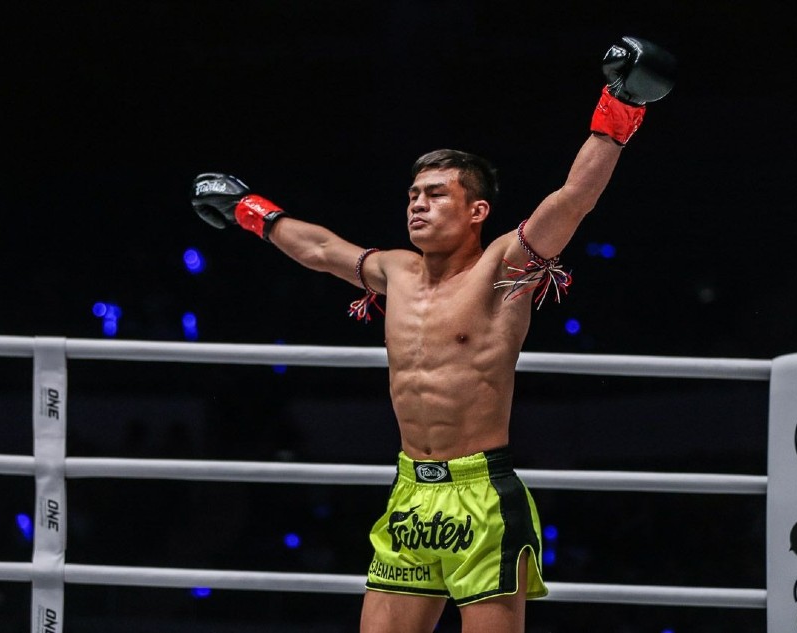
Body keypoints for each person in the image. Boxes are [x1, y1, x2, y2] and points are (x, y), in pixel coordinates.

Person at [191, 36, 674, 633]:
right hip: (410, 494)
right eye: (413, 195)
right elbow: (319, 249)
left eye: (436, 194)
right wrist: (249, 209)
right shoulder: (395, 271)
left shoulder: (504, 268)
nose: (418, 205)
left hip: (481, 494)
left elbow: (573, 199)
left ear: (477, 211)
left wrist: (621, 104)